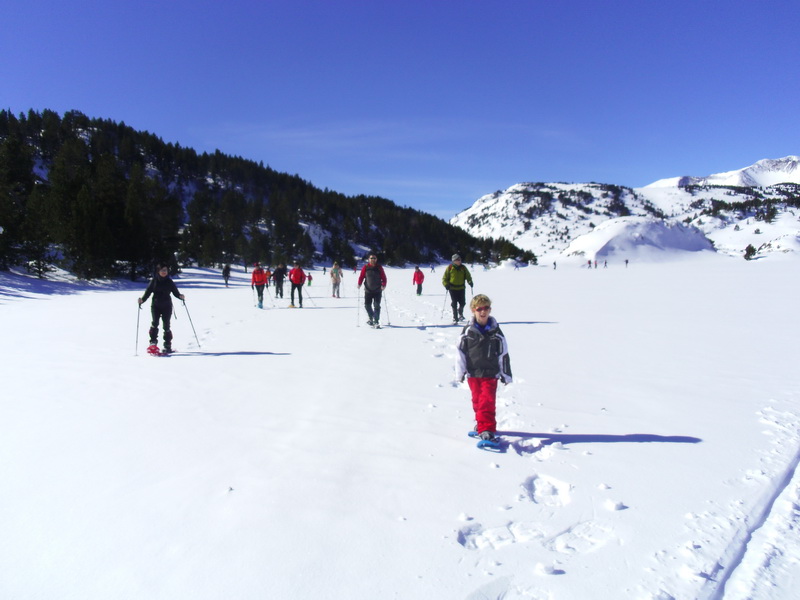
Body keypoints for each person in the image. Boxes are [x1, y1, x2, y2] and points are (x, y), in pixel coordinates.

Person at [455, 294, 512, 441]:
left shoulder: (496, 332)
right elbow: (460, 353)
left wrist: (506, 374)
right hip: (473, 373)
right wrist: (460, 373)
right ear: (473, 310)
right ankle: (482, 424)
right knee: (477, 402)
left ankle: (486, 429)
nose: (483, 312)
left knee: (487, 401)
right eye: (479, 309)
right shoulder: (468, 332)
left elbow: (503, 354)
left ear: (490, 310)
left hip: (491, 373)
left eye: (486, 308)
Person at [138, 264, 185, 354]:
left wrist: (180, 296)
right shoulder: (154, 281)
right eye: (162, 270)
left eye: (165, 270)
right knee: (155, 323)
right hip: (155, 305)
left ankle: (167, 345)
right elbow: (148, 292)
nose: (164, 272)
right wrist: (142, 300)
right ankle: (153, 343)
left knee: (166, 325)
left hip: (167, 306)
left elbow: (175, 292)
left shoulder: (169, 281)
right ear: (158, 271)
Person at [442, 254, 473, 324]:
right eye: (458, 260)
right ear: (454, 261)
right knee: (454, 303)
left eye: (460, 259)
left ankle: (460, 313)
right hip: (452, 288)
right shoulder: (450, 268)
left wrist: (470, 281)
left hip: (461, 288)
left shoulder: (463, 268)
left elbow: (468, 276)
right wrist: (446, 284)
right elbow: (444, 278)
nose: (459, 261)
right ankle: (455, 318)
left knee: (462, 302)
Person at [358, 254, 387, 328]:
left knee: (376, 305)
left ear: (376, 259)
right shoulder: (366, 267)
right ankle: (371, 318)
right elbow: (361, 276)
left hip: (378, 290)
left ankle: (376, 321)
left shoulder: (379, 267)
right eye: (371, 258)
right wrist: (359, 283)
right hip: (368, 290)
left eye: (374, 258)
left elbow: (384, 278)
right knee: (367, 305)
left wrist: (383, 285)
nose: (373, 259)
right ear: (369, 259)